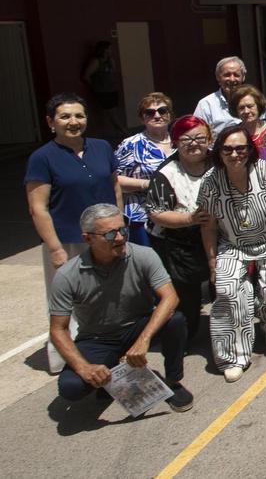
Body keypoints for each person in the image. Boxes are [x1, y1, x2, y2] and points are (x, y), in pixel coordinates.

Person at [48, 204, 192, 411]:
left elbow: (170, 297)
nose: (119, 238)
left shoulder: (144, 255)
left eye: (123, 230)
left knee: (175, 320)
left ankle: (172, 381)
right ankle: (112, 374)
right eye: (109, 234)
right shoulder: (67, 276)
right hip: (98, 338)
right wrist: (84, 368)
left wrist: (143, 341)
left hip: (138, 326)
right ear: (88, 239)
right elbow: (58, 329)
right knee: (71, 388)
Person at [26, 93, 121, 373]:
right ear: (50, 122)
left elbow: (115, 187)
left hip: (107, 237)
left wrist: (119, 227)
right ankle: (66, 359)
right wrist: (55, 247)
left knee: (107, 295)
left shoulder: (101, 147)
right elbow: (38, 208)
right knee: (67, 301)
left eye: (79, 115)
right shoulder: (42, 158)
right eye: (65, 116)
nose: (73, 121)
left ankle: (106, 350)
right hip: (68, 241)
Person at [198, 125, 266, 382]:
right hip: (232, 244)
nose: (234, 154)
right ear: (219, 152)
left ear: (250, 150)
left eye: (240, 148)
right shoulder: (210, 181)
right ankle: (233, 355)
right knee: (227, 289)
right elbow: (208, 226)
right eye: (227, 149)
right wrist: (212, 262)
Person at [144, 116, 213, 342]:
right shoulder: (166, 173)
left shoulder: (220, 161)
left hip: (218, 237)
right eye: (186, 139)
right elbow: (156, 213)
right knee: (186, 298)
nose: (194, 144)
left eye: (199, 138)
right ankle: (184, 339)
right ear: (175, 142)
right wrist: (189, 219)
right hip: (178, 242)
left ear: (209, 139)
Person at [115, 93, 174, 245]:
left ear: (170, 115)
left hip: (178, 215)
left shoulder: (181, 141)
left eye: (162, 111)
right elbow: (114, 179)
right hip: (142, 217)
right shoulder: (131, 144)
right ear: (142, 118)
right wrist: (147, 184)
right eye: (150, 112)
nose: (157, 115)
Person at [193, 56, 246, 134]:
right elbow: (197, 134)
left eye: (236, 75)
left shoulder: (253, 100)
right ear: (218, 77)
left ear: (243, 77)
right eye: (227, 75)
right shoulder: (206, 104)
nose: (232, 79)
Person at [81, 40, 124, 135]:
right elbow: (86, 76)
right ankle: (124, 132)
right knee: (111, 113)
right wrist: (96, 86)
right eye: (108, 49)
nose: (110, 51)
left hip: (112, 89)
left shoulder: (109, 61)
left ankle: (119, 131)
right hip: (104, 92)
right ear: (103, 50)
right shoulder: (96, 61)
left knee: (115, 111)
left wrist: (111, 62)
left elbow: (113, 72)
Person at [230, 85, 266, 163]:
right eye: (241, 108)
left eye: (250, 106)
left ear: (258, 106)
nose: (246, 111)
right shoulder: (233, 135)